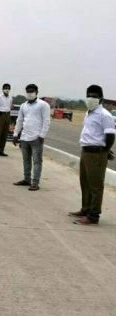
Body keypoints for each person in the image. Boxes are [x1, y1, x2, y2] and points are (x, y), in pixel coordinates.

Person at [69, 85, 115, 225]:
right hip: (86, 152)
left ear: (100, 98)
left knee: (95, 186)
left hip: (96, 154)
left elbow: (110, 136)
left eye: (94, 96)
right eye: (88, 96)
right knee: (85, 183)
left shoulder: (104, 115)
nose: (90, 98)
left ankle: (94, 215)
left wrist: (105, 150)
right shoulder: (88, 113)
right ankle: (85, 209)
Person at [11, 84, 50, 191]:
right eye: (28, 91)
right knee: (26, 160)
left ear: (37, 92)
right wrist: (15, 134)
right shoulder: (23, 106)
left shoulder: (43, 105)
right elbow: (19, 120)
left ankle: (35, 182)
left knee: (37, 161)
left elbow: (46, 121)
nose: (30, 93)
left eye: (32, 91)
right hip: (24, 137)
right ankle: (26, 179)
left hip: (36, 137)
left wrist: (42, 135)